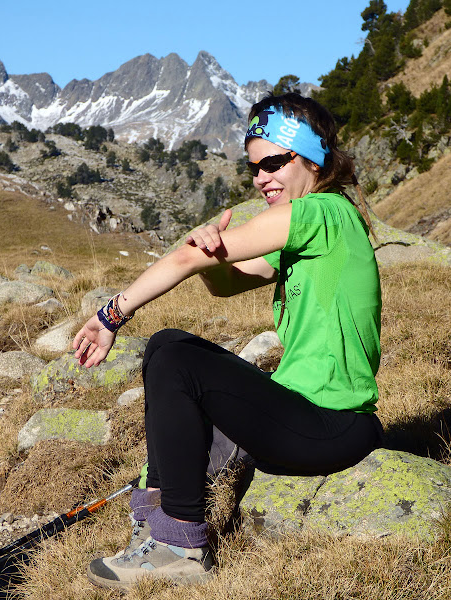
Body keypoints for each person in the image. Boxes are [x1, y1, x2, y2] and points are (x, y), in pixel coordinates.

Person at [73, 92, 383, 590]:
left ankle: (180, 547)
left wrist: (111, 315)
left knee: (175, 359)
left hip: (333, 425)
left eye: (273, 163)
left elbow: (183, 261)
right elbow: (227, 283)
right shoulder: (311, 225)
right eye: (253, 167)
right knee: (166, 347)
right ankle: (155, 520)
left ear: (312, 158)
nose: (261, 178)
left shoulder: (321, 212)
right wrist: (210, 253)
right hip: (303, 414)